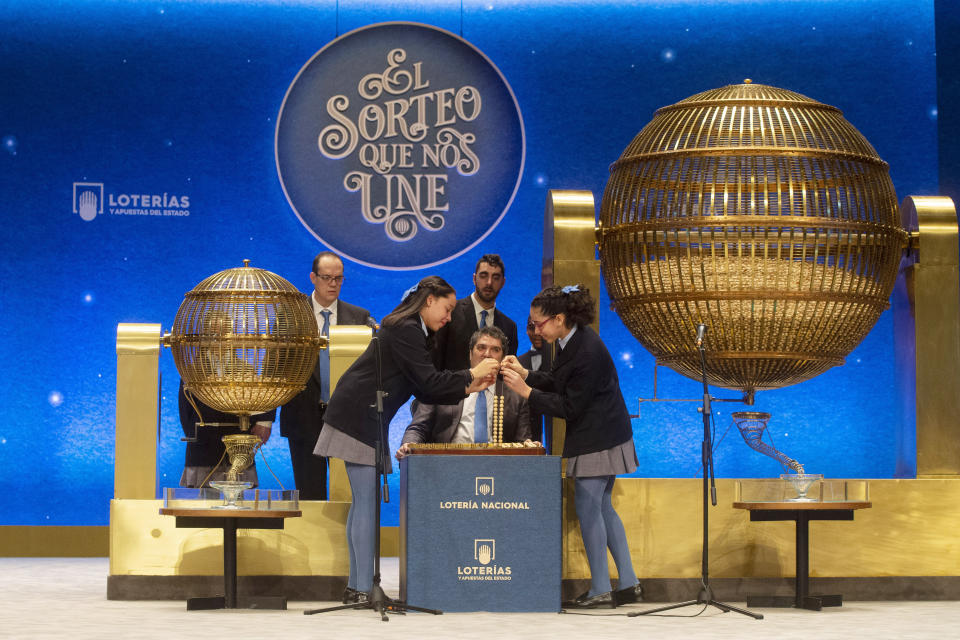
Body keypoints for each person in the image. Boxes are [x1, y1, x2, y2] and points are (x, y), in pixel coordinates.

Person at [313, 276, 500, 604]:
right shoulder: (407, 329)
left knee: (364, 503)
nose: (449, 316)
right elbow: (428, 380)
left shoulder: (416, 330)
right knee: (366, 503)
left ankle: (356, 588)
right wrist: (472, 373)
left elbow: (425, 387)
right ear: (429, 300)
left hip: (367, 415)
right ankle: (360, 588)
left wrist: (469, 386)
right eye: (447, 308)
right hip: (358, 415)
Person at [501, 284, 643, 609]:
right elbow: (560, 381)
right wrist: (527, 374)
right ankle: (630, 583)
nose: (535, 331)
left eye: (539, 324)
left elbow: (569, 407)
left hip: (598, 438)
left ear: (559, 318)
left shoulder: (587, 349)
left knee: (589, 508)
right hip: (604, 435)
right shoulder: (573, 340)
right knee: (603, 507)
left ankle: (601, 588)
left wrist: (525, 391)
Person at [279, 251, 372, 500]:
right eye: (327, 277)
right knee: (310, 496)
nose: (333, 284)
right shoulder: (291, 315)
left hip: (346, 420)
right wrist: (264, 419)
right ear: (313, 277)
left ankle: (346, 540)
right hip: (303, 416)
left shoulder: (360, 318)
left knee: (346, 497)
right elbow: (276, 365)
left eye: (339, 279)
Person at [396, 326, 532, 459]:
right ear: (470, 354)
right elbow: (418, 428)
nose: (487, 354)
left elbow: (523, 441)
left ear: (502, 359)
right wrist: (409, 444)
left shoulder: (516, 395)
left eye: (495, 350)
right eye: (481, 347)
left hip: (497, 467)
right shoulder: (446, 385)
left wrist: (529, 446)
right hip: (449, 464)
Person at [178, 380, 274, 488]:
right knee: (206, 498)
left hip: (239, 434)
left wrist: (264, 420)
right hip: (204, 439)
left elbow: (264, 382)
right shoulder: (192, 367)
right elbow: (185, 409)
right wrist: (196, 436)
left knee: (238, 493)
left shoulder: (247, 365)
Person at [432, 254, 519, 371]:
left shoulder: (509, 327)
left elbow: (506, 374)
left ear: (503, 282)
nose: (489, 282)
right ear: (474, 279)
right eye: (483, 276)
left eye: (496, 277)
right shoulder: (449, 313)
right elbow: (435, 363)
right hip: (453, 388)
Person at [517, 315, 553, 446]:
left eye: (541, 326)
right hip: (527, 434)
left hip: (556, 428)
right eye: (532, 328)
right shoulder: (519, 362)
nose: (536, 333)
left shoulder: (559, 360)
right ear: (526, 330)